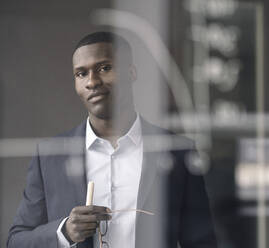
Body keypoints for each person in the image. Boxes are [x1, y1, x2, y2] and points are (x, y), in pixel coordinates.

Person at [7, 32, 217, 248]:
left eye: (104, 68)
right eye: (81, 74)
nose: (92, 82)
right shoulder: (50, 156)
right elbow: (16, 241)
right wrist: (65, 232)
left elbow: (202, 242)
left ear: (131, 72)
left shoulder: (177, 151)